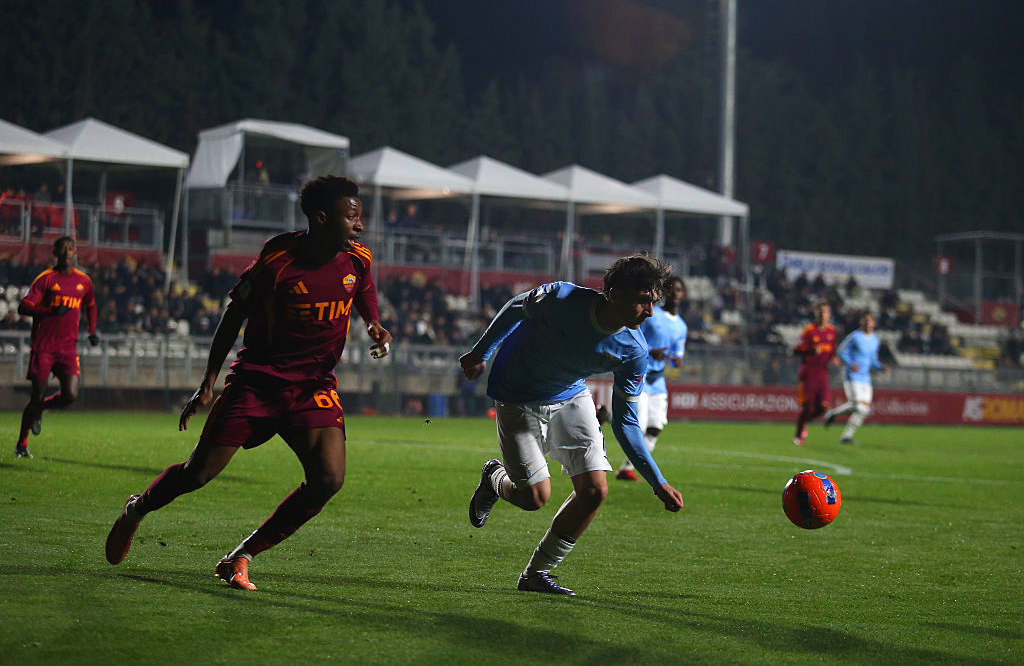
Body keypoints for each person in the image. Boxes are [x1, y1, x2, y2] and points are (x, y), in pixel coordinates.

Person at [104, 175, 393, 591]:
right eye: (351, 217)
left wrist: (373, 322)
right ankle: (135, 510)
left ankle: (240, 556)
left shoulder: (358, 257)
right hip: (258, 384)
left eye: (359, 217)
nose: (360, 225)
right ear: (321, 218)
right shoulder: (278, 261)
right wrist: (208, 380)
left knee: (328, 480)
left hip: (313, 387)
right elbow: (233, 315)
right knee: (197, 474)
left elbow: (363, 287)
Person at [460, 255, 685, 596]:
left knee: (594, 491)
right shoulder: (562, 298)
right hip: (516, 395)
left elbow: (626, 421)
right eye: (642, 301)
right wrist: (481, 353)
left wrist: (658, 481)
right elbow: (516, 307)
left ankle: (536, 574)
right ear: (613, 294)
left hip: (570, 395)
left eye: (653, 302)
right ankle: (494, 479)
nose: (649, 312)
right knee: (534, 498)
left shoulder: (634, 350)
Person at [15, 236, 98, 458]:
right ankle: (22, 444)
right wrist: (49, 311)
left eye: (71, 249)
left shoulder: (84, 281)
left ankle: (41, 409)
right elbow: (23, 306)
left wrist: (92, 331)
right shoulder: (46, 279)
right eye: (63, 249)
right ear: (55, 253)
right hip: (43, 346)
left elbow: (91, 305)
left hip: (68, 348)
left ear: (75, 253)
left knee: (70, 395)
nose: (67, 253)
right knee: (37, 394)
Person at [614, 274, 688, 481]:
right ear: (665, 293)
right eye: (671, 289)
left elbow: (676, 356)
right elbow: (632, 337)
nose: (675, 293)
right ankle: (610, 415)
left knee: (656, 427)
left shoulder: (681, 326)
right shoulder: (652, 315)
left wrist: (676, 360)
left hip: (658, 381)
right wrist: (650, 351)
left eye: (679, 290)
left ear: (683, 294)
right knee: (641, 425)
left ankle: (626, 469)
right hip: (641, 376)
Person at [823, 312, 888, 444]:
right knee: (860, 407)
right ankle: (842, 430)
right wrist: (850, 364)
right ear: (861, 322)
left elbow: (872, 359)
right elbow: (841, 351)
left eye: (869, 320)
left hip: (865, 378)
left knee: (863, 409)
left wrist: (881, 367)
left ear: (873, 323)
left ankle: (841, 428)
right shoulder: (855, 336)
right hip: (852, 376)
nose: (866, 322)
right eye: (864, 320)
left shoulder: (875, 340)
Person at [792, 300, 838, 446]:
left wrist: (834, 357)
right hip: (809, 373)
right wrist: (811, 350)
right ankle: (798, 436)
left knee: (824, 406)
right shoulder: (809, 330)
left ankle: (804, 422)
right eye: (820, 312)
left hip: (822, 373)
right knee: (808, 406)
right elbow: (796, 350)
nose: (823, 315)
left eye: (825, 312)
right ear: (815, 313)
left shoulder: (831, 331)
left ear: (829, 314)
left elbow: (832, 349)